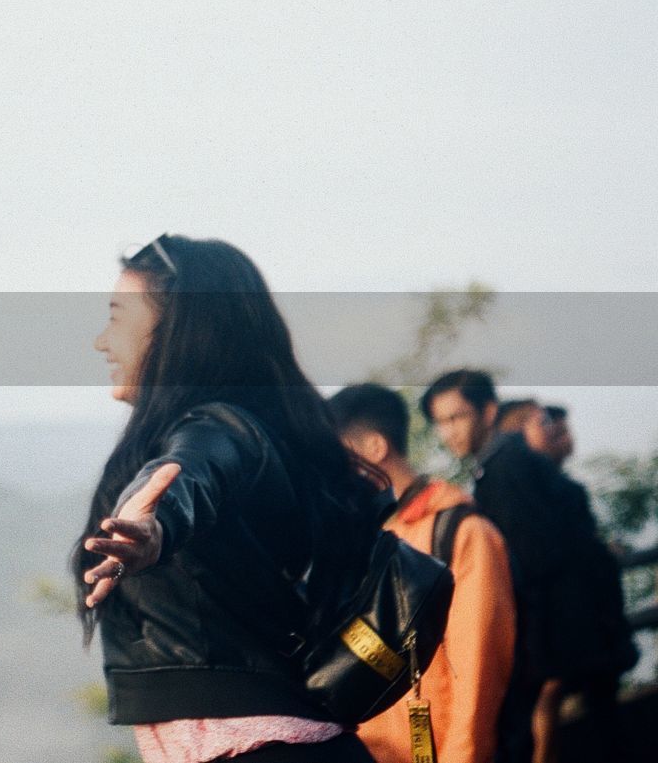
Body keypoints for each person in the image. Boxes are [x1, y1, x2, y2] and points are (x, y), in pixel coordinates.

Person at [72, 233, 386, 763]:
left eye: (118, 317)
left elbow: (194, 471)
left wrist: (156, 528)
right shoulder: (265, 430)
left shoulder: (220, 427)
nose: (102, 342)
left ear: (177, 329)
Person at [419, 372, 637, 763]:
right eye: (441, 422)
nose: (448, 432)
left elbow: (537, 558)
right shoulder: (506, 462)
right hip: (575, 625)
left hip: (561, 627)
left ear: (487, 411)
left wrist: (529, 640)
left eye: (457, 418)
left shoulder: (505, 468)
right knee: (604, 728)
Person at [328, 383, 516, 763]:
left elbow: (478, 668)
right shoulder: (370, 536)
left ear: (373, 449)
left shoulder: (461, 533)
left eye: (336, 459)